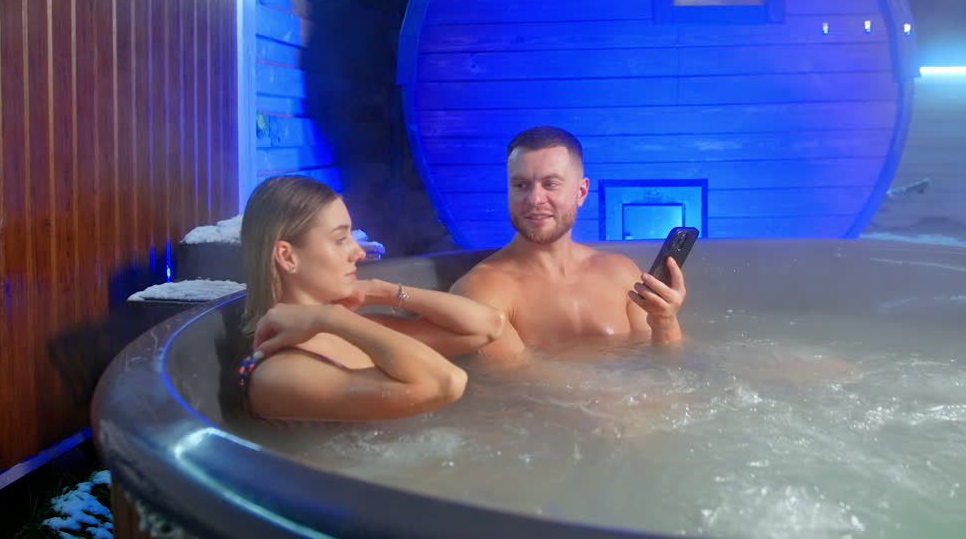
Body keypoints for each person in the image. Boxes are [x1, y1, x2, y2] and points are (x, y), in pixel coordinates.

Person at [238, 175, 504, 422]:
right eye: (340, 239)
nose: (359, 253)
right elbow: (447, 383)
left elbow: (488, 326)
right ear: (287, 257)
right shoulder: (280, 374)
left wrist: (382, 291)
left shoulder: (351, 331)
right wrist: (330, 317)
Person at [449, 126, 688, 361]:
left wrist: (665, 322)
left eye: (550, 184)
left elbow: (664, 364)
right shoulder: (482, 292)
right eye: (521, 185)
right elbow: (516, 380)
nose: (534, 199)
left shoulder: (620, 273)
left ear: (581, 192)